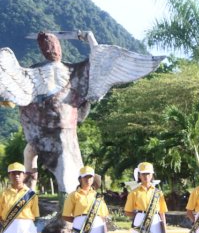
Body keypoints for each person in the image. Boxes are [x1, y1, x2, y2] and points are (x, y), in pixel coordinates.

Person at [0, 31, 163, 193]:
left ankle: (54, 198)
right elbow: (98, 61)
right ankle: (29, 194)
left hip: (60, 129)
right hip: (53, 129)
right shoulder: (72, 71)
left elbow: (97, 63)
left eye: (51, 45)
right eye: (49, 46)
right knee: (32, 152)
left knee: (57, 164)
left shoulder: (59, 71)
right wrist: (89, 38)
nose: (51, 49)